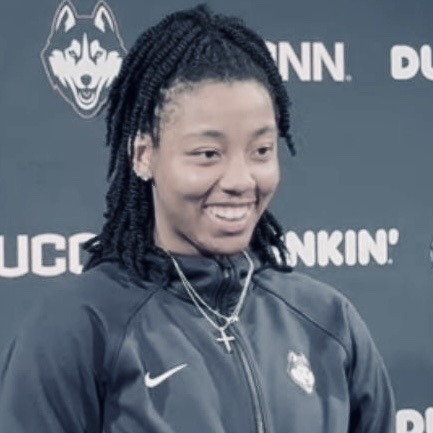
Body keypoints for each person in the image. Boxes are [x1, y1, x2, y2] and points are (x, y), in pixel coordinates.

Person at [0, 5, 395, 432]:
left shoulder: (328, 321)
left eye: (261, 151)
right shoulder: (77, 327)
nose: (241, 180)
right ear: (143, 155)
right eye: (208, 154)